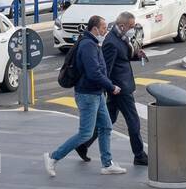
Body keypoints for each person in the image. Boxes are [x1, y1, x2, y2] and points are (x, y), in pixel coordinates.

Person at [44, 15, 127, 177]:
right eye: (103, 28)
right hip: (88, 95)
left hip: (96, 94)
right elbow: (93, 73)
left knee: (106, 127)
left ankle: (107, 164)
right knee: (85, 133)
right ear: (95, 29)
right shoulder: (88, 46)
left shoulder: (92, 43)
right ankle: (53, 157)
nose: (105, 30)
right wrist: (111, 87)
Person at [77, 13, 148, 165]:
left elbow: (122, 57)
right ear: (122, 26)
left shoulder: (120, 38)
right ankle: (139, 155)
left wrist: (136, 55)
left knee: (109, 119)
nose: (133, 29)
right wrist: (109, 88)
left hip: (120, 87)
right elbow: (105, 69)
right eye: (131, 26)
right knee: (133, 121)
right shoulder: (111, 42)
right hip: (120, 89)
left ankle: (83, 145)